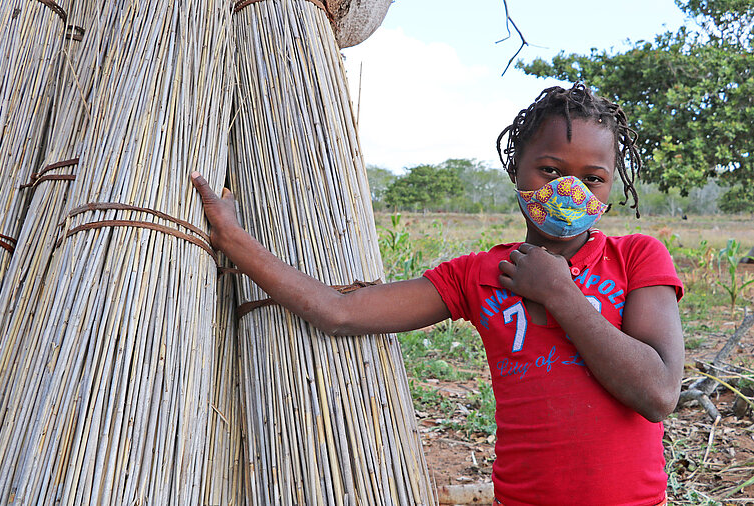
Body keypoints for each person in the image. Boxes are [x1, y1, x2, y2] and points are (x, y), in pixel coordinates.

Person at [191, 82, 684, 505]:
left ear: (611, 186)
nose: (570, 190)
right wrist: (236, 241)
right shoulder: (478, 275)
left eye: (592, 179)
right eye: (550, 171)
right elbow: (339, 312)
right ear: (516, 170)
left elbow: (658, 393)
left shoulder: (637, 257)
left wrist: (561, 294)